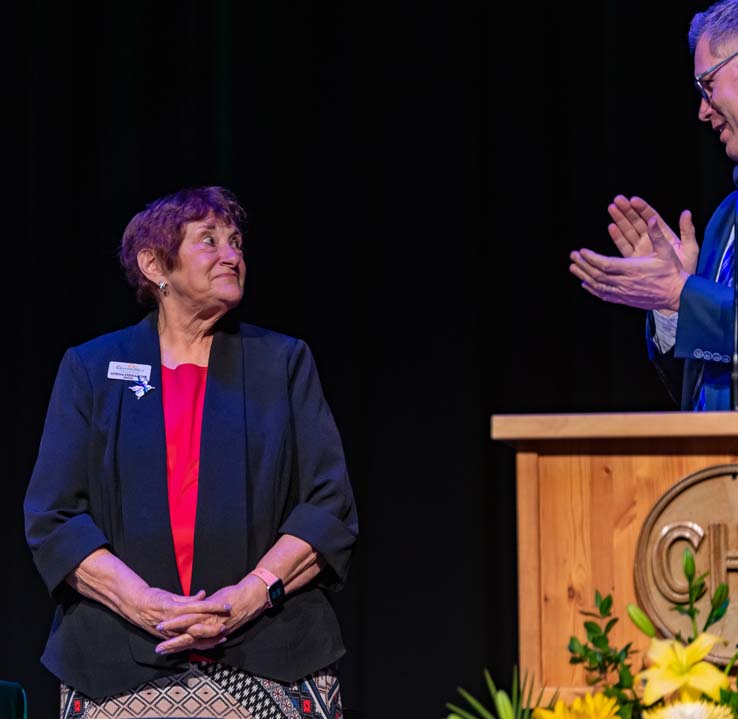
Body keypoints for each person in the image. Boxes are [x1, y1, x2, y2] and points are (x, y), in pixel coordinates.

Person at [24, 186, 358, 718]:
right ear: (155, 264)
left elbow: (328, 507)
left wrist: (246, 598)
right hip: (118, 665)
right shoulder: (92, 368)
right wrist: (144, 603)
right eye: (209, 241)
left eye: (237, 241)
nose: (233, 255)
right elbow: (54, 518)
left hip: (270, 658)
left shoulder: (282, 363)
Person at [568, 0, 738, 411]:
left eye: (708, 86)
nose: (702, 110)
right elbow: (700, 388)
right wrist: (670, 304)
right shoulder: (725, 222)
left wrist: (684, 293)